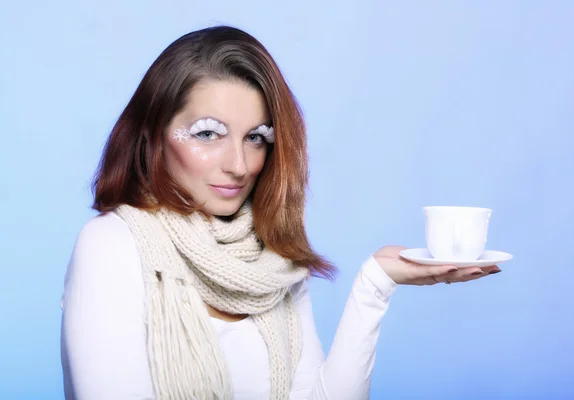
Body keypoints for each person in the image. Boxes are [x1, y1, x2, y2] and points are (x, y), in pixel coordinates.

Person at [60, 25, 500, 400]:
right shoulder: (113, 245)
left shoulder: (273, 257)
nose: (239, 163)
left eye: (256, 137)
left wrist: (376, 282)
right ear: (154, 135)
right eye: (208, 133)